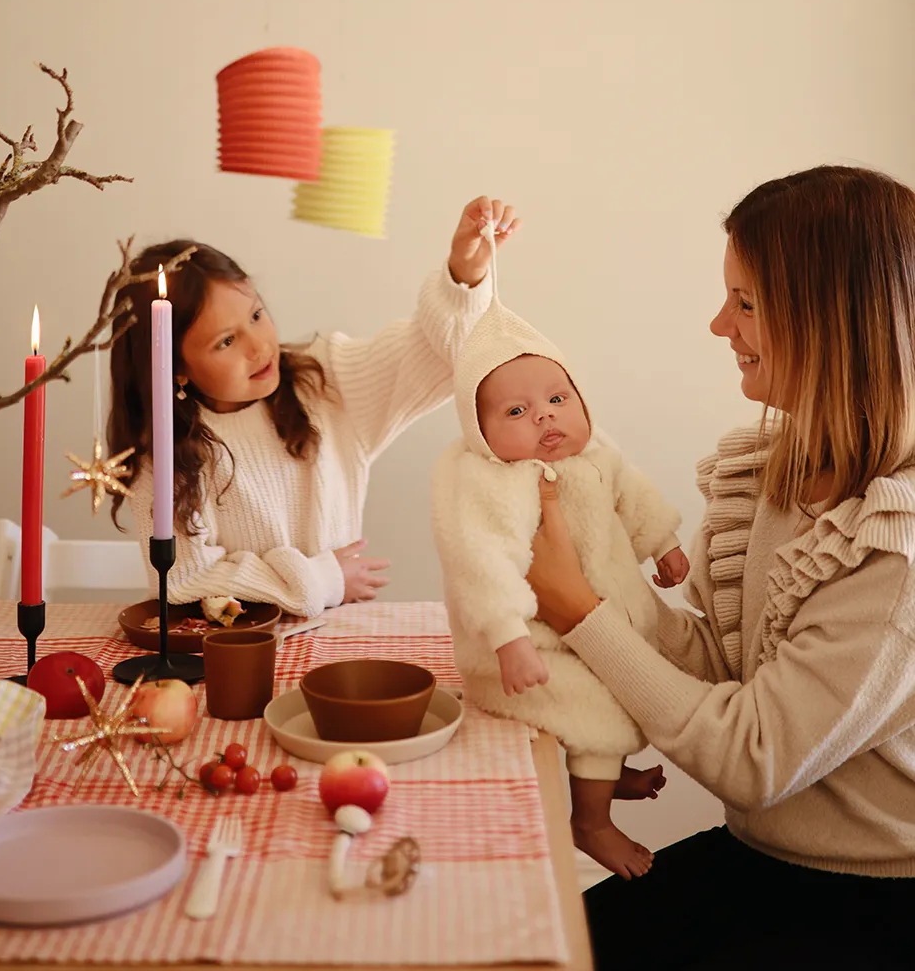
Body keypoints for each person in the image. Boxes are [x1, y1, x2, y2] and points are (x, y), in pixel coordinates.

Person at [526, 165, 915, 970]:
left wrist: (582, 614)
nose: (718, 325)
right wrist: (594, 580)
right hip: (768, 858)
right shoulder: (786, 468)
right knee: (538, 937)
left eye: (746, 303)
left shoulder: (896, 550)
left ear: (832, 321)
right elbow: (725, 660)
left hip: (868, 900)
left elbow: (753, 755)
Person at [107, 197, 520, 616]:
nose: (259, 347)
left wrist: (466, 273)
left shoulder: (326, 382)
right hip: (232, 647)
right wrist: (321, 579)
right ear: (175, 367)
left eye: (256, 315)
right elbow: (183, 579)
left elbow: (445, 355)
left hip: (339, 633)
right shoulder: (167, 453)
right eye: (226, 341)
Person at [430, 223, 688, 878]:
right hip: (532, 644)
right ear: (480, 432)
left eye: (556, 398)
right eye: (516, 412)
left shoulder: (597, 454)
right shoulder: (491, 483)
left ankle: (604, 770)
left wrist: (661, 541)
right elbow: (479, 559)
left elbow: (633, 493)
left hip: (596, 620)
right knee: (596, 706)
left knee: (634, 677)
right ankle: (590, 820)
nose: (544, 415)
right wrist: (507, 635)